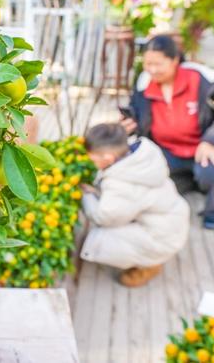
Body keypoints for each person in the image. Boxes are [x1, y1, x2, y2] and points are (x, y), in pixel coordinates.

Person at [122, 35, 214, 229]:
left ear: (175, 60)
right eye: (147, 64)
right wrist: (130, 123)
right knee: (138, 173)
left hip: (202, 150)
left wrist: (211, 140)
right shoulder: (144, 83)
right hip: (166, 151)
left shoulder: (201, 80)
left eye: (158, 64)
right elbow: (137, 111)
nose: (152, 70)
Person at [80, 123, 189, 288]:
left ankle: (150, 264)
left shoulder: (121, 185)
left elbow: (104, 217)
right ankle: (151, 255)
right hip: (173, 220)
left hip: (162, 237)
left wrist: (86, 196)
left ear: (107, 158)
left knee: (100, 239)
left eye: (92, 158)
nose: (90, 161)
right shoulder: (141, 154)